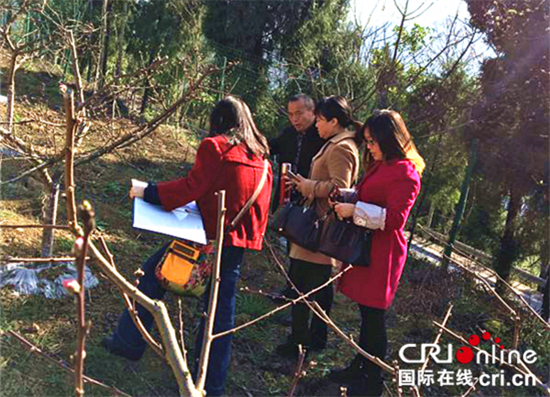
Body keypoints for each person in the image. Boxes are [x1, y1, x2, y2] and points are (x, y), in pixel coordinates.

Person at [101, 96, 272, 397]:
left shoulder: (215, 147)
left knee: (149, 278)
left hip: (204, 236)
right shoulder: (261, 157)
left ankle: (127, 343)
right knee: (219, 315)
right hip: (235, 242)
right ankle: (210, 382)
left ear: (217, 121)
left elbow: (192, 186)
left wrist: (149, 191)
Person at [329, 109, 425, 396]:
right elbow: (368, 193)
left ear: (389, 139)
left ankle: (372, 379)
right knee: (365, 313)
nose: (368, 147)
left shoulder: (406, 172)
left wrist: (354, 210)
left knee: (374, 316)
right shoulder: (383, 164)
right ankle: (361, 363)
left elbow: (396, 219)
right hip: (368, 247)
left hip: (382, 254)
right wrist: (347, 197)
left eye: (372, 141)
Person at [276, 96, 362, 358]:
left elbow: (340, 189)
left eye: (321, 120)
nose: (317, 126)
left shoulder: (341, 148)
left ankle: (301, 342)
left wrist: (307, 186)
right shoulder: (336, 144)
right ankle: (311, 338)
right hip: (317, 225)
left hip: (320, 228)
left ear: (334, 121)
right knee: (311, 284)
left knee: (306, 285)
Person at [269, 94, 326, 305]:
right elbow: (270, 146)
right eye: (291, 114)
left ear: (313, 112)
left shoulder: (323, 137)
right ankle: (292, 290)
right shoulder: (288, 134)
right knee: (291, 248)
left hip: (311, 202)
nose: (295, 119)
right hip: (287, 200)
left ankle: (301, 293)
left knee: (305, 251)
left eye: (300, 113)